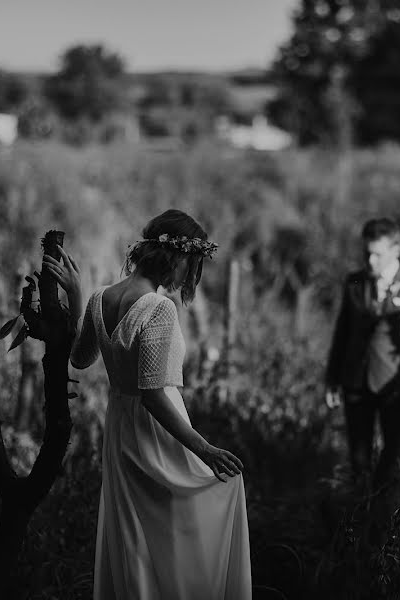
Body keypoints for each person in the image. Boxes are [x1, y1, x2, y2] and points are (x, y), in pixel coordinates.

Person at [43, 209, 251, 600]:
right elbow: (154, 394)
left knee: (135, 533)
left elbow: (79, 358)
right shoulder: (158, 308)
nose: (188, 278)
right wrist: (204, 448)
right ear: (176, 258)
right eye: (191, 266)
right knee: (188, 520)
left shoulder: (99, 298)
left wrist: (75, 294)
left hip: (120, 427)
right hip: (156, 431)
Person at [325, 217, 400, 478]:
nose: (371, 261)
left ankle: (394, 516)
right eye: (367, 253)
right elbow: (342, 333)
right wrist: (332, 378)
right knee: (359, 460)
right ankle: (360, 514)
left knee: (397, 460)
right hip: (356, 383)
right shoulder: (355, 282)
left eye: (378, 255)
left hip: (394, 388)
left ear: (395, 250)